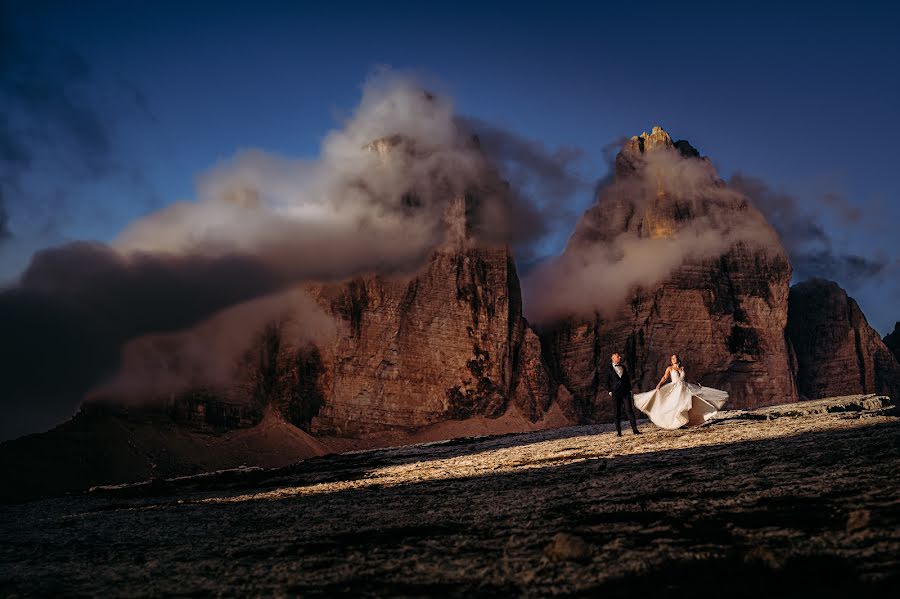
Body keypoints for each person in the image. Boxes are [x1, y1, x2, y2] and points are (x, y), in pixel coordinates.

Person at [632, 354, 728, 430]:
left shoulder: (682, 368)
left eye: (675, 358)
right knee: (676, 405)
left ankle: (688, 421)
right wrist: (659, 384)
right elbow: (665, 377)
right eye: (672, 358)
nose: (674, 359)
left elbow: (689, 377)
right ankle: (678, 422)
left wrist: (696, 383)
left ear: (678, 359)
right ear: (671, 360)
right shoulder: (669, 368)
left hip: (684, 387)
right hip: (675, 388)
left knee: (690, 402)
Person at [605, 352, 641, 437]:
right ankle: (619, 432)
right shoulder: (609, 369)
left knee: (629, 410)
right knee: (617, 412)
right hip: (616, 393)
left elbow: (627, 379)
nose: (620, 358)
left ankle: (635, 430)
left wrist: (630, 389)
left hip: (625, 392)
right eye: (618, 357)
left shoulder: (623, 367)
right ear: (613, 358)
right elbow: (606, 381)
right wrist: (610, 391)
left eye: (619, 357)